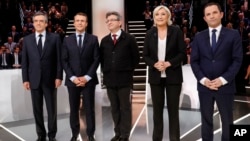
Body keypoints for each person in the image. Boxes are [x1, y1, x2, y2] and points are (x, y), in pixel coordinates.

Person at [190, 2, 243, 141]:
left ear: (221, 14)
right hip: (204, 87)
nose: (211, 16)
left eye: (214, 13)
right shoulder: (199, 37)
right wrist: (203, 80)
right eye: (208, 14)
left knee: (227, 121)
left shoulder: (233, 35)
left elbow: (237, 60)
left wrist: (222, 80)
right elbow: (194, 61)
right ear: (204, 18)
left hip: (226, 86)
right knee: (206, 121)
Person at [143, 5, 186, 141]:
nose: (160, 17)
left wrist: (169, 63)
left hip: (173, 76)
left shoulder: (176, 31)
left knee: (173, 112)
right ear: (154, 17)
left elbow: (182, 53)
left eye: (163, 14)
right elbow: (145, 56)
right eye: (157, 14)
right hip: (156, 78)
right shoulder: (150, 33)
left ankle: (174, 139)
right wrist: (154, 64)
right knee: (157, 112)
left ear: (168, 16)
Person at [21, 11, 63, 141]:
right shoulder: (27, 40)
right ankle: (40, 135)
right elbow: (25, 62)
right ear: (33, 23)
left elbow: (59, 60)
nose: (38, 23)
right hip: (34, 80)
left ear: (46, 23)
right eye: (36, 21)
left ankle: (52, 135)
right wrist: (25, 79)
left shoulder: (55, 38)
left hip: (50, 80)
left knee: (52, 110)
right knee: (37, 110)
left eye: (41, 21)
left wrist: (59, 76)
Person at [100, 11, 140, 141]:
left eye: (112, 20)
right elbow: (102, 59)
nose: (109, 22)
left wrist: (126, 71)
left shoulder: (129, 38)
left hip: (124, 80)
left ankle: (125, 135)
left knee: (125, 108)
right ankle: (117, 133)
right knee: (114, 108)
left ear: (120, 22)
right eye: (107, 21)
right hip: (110, 80)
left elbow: (136, 59)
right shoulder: (104, 40)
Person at [61, 12, 99, 141]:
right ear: (74, 23)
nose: (80, 23)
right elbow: (64, 60)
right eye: (77, 20)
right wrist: (73, 78)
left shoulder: (93, 39)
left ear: (86, 23)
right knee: (74, 108)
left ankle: (91, 134)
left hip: (89, 80)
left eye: (83, 21)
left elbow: (96, 59)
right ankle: (74, 134)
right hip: (72, 81)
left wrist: (87, 77)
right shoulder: (67, 40)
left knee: (90, 109)